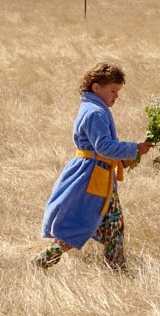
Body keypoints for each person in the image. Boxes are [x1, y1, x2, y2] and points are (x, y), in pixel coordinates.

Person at [37, 60, 151, 271]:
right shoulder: (95, 113)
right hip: (91, 177)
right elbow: (104, 147)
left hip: (102, 175)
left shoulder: (94, 108)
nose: (116, 96)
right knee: (80, 224)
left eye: (118, 91)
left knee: (114, 225)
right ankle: (42, 261)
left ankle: (117, 269)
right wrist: (133, 149)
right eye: (113, 90)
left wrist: (127, 157)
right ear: (96, 87)